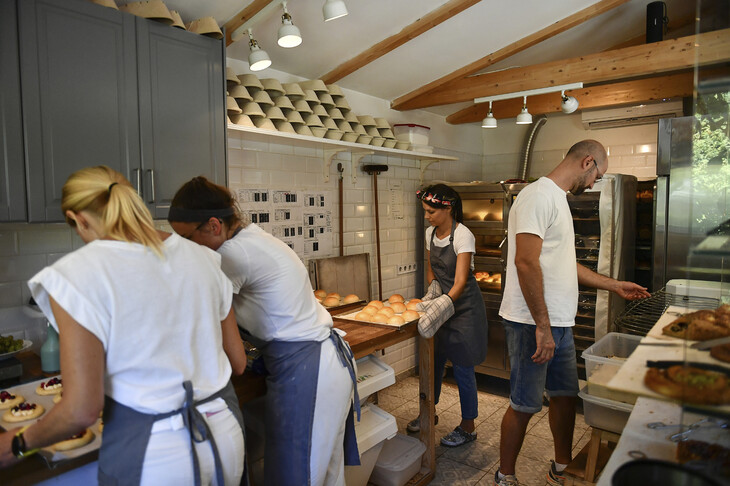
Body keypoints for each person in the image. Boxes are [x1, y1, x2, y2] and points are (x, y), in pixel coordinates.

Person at [0, 166, 247, 486]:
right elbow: (236, 359)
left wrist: (19, 442)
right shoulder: (203, 258)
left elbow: (81, 410)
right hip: (225, 433)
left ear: (79, 219)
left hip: (155, 454)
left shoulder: (73, 276)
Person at [168, 176, 359, 486]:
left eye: (187, 238)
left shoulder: (230, 256)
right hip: (323, 363)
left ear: (214, 226)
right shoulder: (248, 238)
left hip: (307, 372)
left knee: (296, 477)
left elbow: (203, 318)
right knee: (325, 476)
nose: (185, 247)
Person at [494, 140, 650, 486]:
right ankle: (505, 475)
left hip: (559, 322)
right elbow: (524, 261)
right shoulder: (537, 196)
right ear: (588, 162)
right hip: (530, 323)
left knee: (565, 396)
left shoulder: (558, 199)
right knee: (524, 404)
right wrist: (543, 327)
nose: (594, 183)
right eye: (598, 175)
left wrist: (613, 285)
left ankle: (562, 465)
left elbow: (564, 263)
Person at [407, 183, 488, 448]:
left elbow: (461, 280)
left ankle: (468, 426)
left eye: (431, 211)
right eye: (425, 211)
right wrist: (432, 290)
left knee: (463, 368)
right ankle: (428, 413)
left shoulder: (463, 235)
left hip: (463, 308)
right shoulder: (430, 233)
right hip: (443, 298)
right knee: (434, 363)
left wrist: (444, 304)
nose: (427, 216)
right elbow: (432, 269)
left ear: (448, 208)